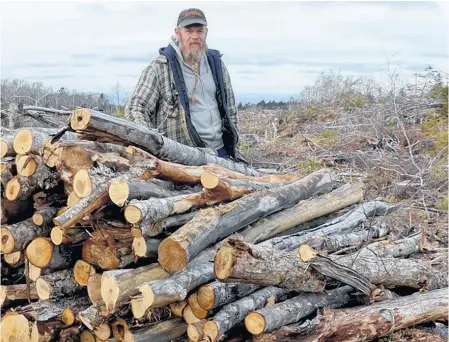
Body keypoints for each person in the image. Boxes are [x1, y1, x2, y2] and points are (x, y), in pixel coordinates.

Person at [124, 8, 245, 162]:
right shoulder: (161, 67)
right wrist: (152, 144)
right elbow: (135, 107)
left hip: (220, 152)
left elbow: (231, 110)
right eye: (188, 30)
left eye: (199, 31)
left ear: (206, 33)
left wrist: (234, 146)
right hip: (183, 156)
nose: (195, 36)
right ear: (177, 32)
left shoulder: (217, 65)